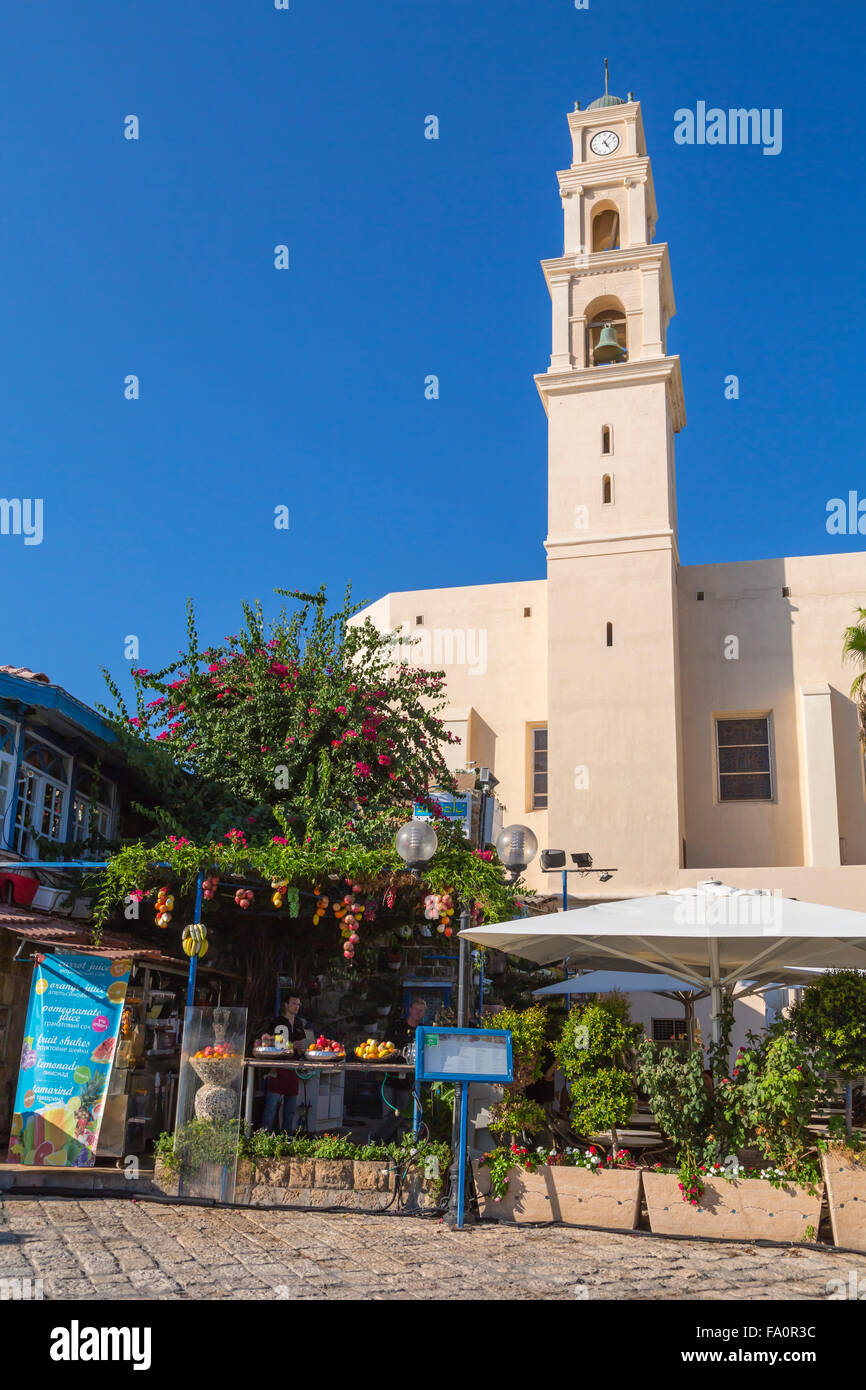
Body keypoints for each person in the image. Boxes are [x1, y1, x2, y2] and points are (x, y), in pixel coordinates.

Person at [254, 994, 307, 1133]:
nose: (297, 1007)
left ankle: (286, 1138)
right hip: (278, 1068)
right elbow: (274, 1044)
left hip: (293, 1068)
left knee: (290, 1108)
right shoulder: (277, 1022)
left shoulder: (299, 1023)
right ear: (286, 1004)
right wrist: (292, 1045)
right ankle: (264, 1137)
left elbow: (301, 1044)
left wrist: (302, 1050)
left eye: (299, 1004)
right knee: (271, 1106)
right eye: (294, 1003)